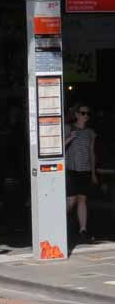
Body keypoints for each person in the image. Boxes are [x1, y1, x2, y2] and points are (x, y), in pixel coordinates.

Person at [64, 103, 98, 243]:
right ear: (77, 114)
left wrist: (93, 173)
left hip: (85, 170)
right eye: (83, 113)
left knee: (83, 198)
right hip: (71, 169)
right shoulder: (68, 128)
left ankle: (83, 229)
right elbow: (59, 146)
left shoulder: (90, 132)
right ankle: (57, 222)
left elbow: (92, 153)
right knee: (71, 200)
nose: (86, 116)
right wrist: (70, 138)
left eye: (87, 113)